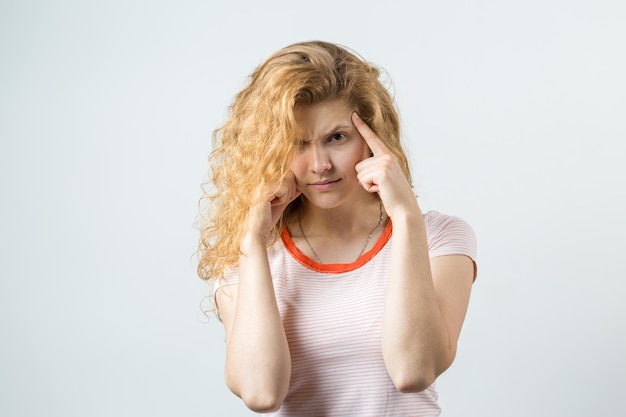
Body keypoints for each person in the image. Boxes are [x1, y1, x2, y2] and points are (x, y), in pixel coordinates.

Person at [197, 40, 477, 417]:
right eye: (297, 144)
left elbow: (414, 371)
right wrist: (252, 243)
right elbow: (261, 393)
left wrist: (406, 217)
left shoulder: (440, 238)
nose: (319, 165)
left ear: (373, 137)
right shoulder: (245, 257)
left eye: (337, 138)